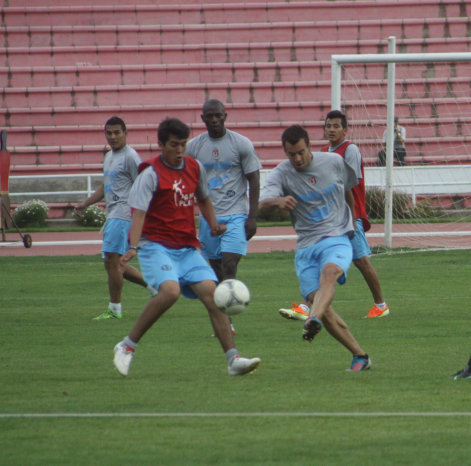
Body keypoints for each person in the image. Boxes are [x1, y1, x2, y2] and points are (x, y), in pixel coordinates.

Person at [113, 117, 261, 377]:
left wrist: (214, 225)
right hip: (155, 245)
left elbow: (203, 199)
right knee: (170, 292)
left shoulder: (194, 167)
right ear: (161, 145)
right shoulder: (151, 174)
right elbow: (138, 214)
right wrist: (133, 246)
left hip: (187, 248)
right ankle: (126, 346)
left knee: (213, 295)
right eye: (174, 145)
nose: (180, 150)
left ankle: (233, 360)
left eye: (183, 144)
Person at [259, 124, 371, 371]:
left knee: (329, 275)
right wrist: (278, 201)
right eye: (291, 154)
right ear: (285, 152)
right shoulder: (282, 173)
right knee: (323, 305)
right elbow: (261, 205)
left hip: (337, 237)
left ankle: (312, 318)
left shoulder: (333, 162)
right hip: (306, 247)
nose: (297, 159)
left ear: (310, 146)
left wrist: (352, 224)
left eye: (301, 152)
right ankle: (360, 355)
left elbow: (348, 190)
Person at [279, 110, 390, 321]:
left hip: (348, 215)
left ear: (345, 129)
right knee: (320, 259)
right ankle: (304, 305)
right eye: (328, 125)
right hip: (328, 218)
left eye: (336, 126)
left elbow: (349, 181)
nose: (331, 129)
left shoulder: (350, 150)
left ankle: (381, 304)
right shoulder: (322, 152)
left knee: (362, 261)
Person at [186, 99, 261, 334]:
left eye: (218, 115)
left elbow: (254, 179)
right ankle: (226, 319)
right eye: (210, 116)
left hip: (236, 214)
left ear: (225, 116)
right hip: (210, 218)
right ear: (203, 119)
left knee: (229, 263)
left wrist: (252, 217)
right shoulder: (194, 147)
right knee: (216, 267)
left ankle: (229, 311)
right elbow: (186, 181)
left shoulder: (241, 144)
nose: (215, 120)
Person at [74, 116, 157, 320]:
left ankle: (115, 309)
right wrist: (86, 203)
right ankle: (154, 287)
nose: (113, 137)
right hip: (113, 214)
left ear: (125, 133)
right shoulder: (109, 156)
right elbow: (106, 186)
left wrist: (143, 214)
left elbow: (143, 184)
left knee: (112, 262)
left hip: (123, 215)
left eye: (117, 132)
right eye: (109, 133)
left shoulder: (131, 157)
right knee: (114, 262)